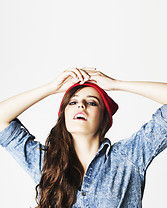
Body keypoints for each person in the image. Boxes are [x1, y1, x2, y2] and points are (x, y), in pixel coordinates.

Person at [0, 68, 167, 208]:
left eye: (92, 102)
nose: (81, 105)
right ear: (64, 115)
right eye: (72, 102)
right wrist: (51, 88)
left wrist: (117, 85)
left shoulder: (128, 156)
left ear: (104, 118)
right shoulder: (46, 163)